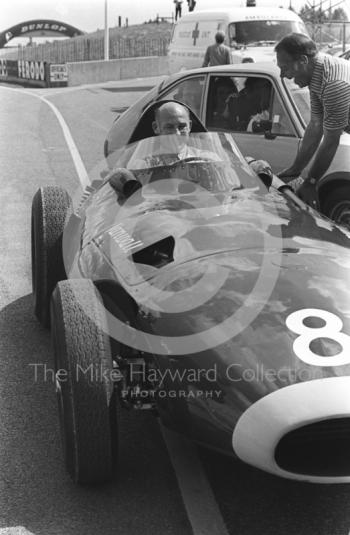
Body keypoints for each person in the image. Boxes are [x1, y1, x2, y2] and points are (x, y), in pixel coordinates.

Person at [275, 32, 350, 209]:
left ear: (303, 61)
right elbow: (315, 125)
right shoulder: (317, 73)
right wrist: (295, 169)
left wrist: (311, 181)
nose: (282, 75)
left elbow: (331, 140)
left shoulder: (333, 83)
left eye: (285, 67)